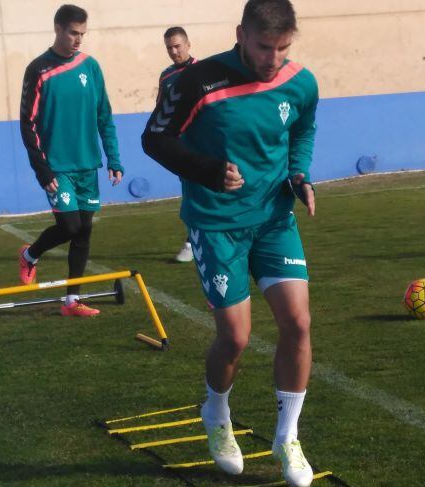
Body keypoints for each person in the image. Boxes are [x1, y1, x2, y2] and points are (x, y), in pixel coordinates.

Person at [141, 0, 317, 485]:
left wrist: (299, 174)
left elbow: (302, 130)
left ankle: (287, 437)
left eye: (282, 47)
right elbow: (154, 140)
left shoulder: (300, 82)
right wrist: (208, 171)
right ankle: (216, 413)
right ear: (241, 34)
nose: (272, 58)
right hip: (215, 224)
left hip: (274, 219)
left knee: (298, 324)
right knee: (235, 337)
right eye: (264, 46)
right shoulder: (194, 82)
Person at [18, 4, 123, 317]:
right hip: (57, 167)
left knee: (84, 231)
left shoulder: (91, 67)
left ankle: (71, 302)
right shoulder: (39, 69)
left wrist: (113, 157)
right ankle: (30, 254)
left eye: (82, 34)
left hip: (87, 165)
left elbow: (104, 115)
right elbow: (28, 123)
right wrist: (42, 168)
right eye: (73, 33)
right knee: (69, 225)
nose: (78, 39)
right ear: (58, 28)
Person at [157, 26, 197, 263]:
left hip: (204, 143)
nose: (173, 51)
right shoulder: (167, 76)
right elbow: (161, 111)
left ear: (188, 44)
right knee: (190, 193)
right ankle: (192, 241)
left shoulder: (203, 70)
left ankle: (195, 241)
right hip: (180, 147)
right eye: (169, 48)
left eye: (177, 46)